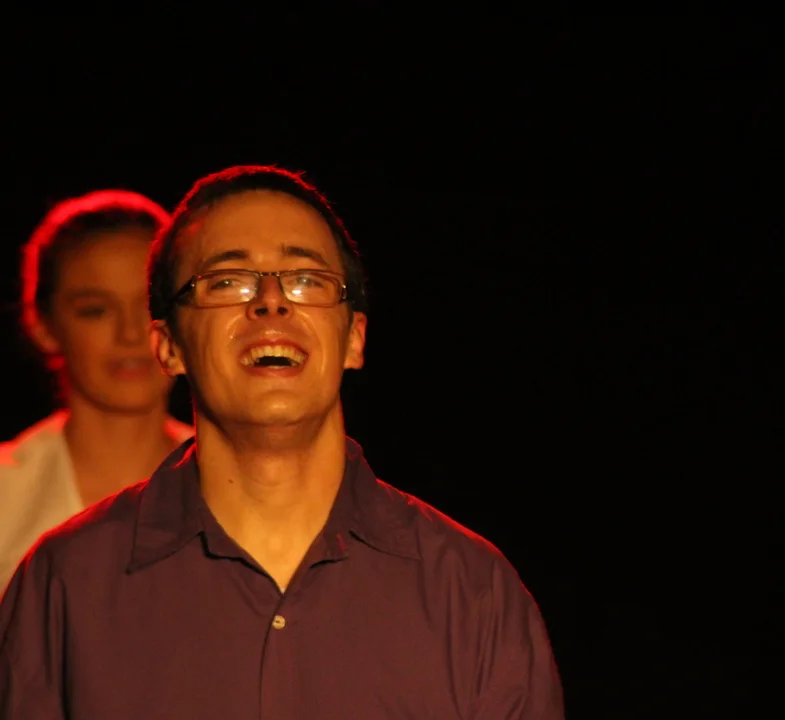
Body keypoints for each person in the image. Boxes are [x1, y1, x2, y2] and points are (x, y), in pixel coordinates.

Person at [0, 166, 564, 718]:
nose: (271, 302)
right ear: (168, 345)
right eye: (227, 282)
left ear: (355, 337)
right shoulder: (64, 583)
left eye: (306, 280)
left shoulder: (472, 592)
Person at [0, 190, 193, 588]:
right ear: (43, 325)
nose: (131, 334)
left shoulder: (242, 482)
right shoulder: (7, 494)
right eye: (96, 310)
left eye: (149, 306)